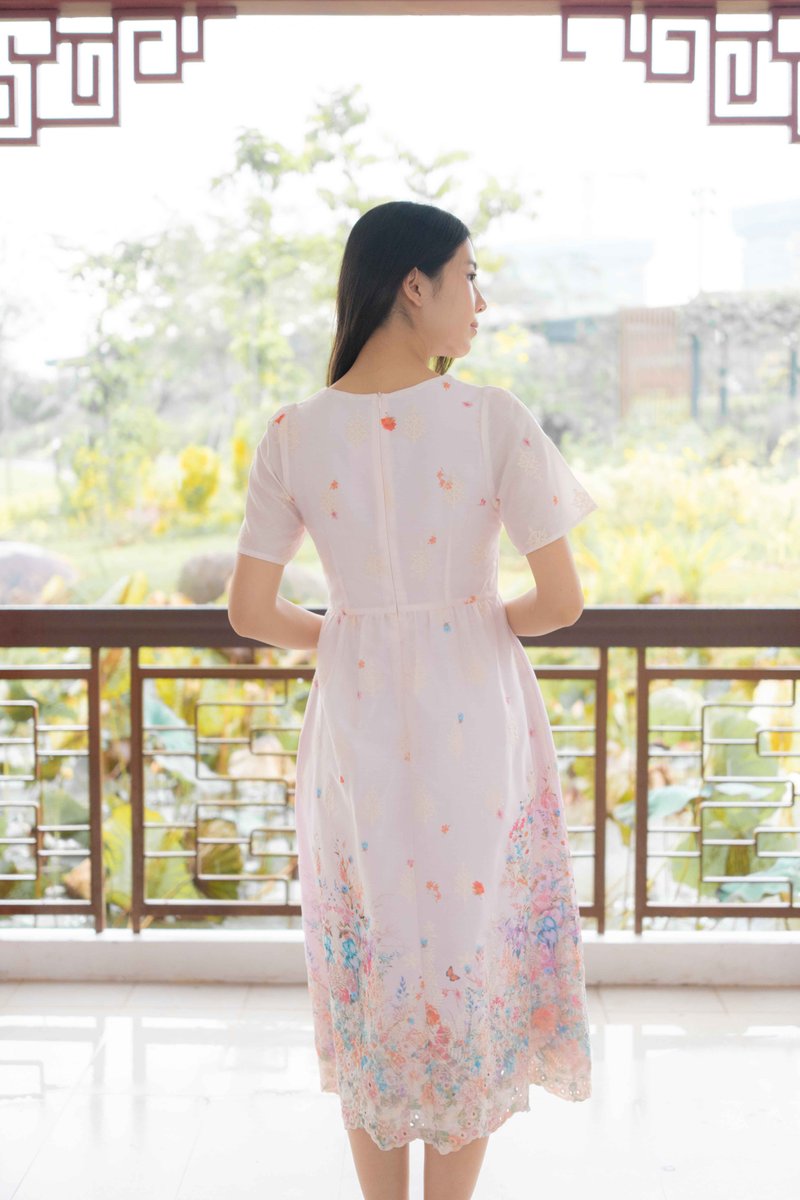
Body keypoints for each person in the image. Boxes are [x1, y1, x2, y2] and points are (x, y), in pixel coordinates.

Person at [228, 200, 598, 1200]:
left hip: (354, 727)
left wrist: (355, 635)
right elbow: (560, 602)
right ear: (414, 284)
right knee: (468, 956)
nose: (480, 300)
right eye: (469, 276)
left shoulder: (293, 434)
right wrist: (466, 625)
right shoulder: (491, 418)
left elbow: (251, 610)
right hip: (475, 722)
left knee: (375, 956)